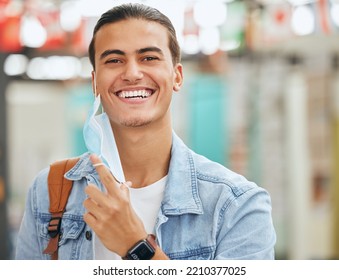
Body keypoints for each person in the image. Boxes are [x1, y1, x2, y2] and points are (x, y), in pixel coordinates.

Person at [15, 3, 276, 260]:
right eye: (114, 60)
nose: (132, 73)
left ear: (177, 76)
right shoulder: (50, 191)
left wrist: (135, 246)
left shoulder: (237, 205)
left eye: (149, 58)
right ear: (95, 82)